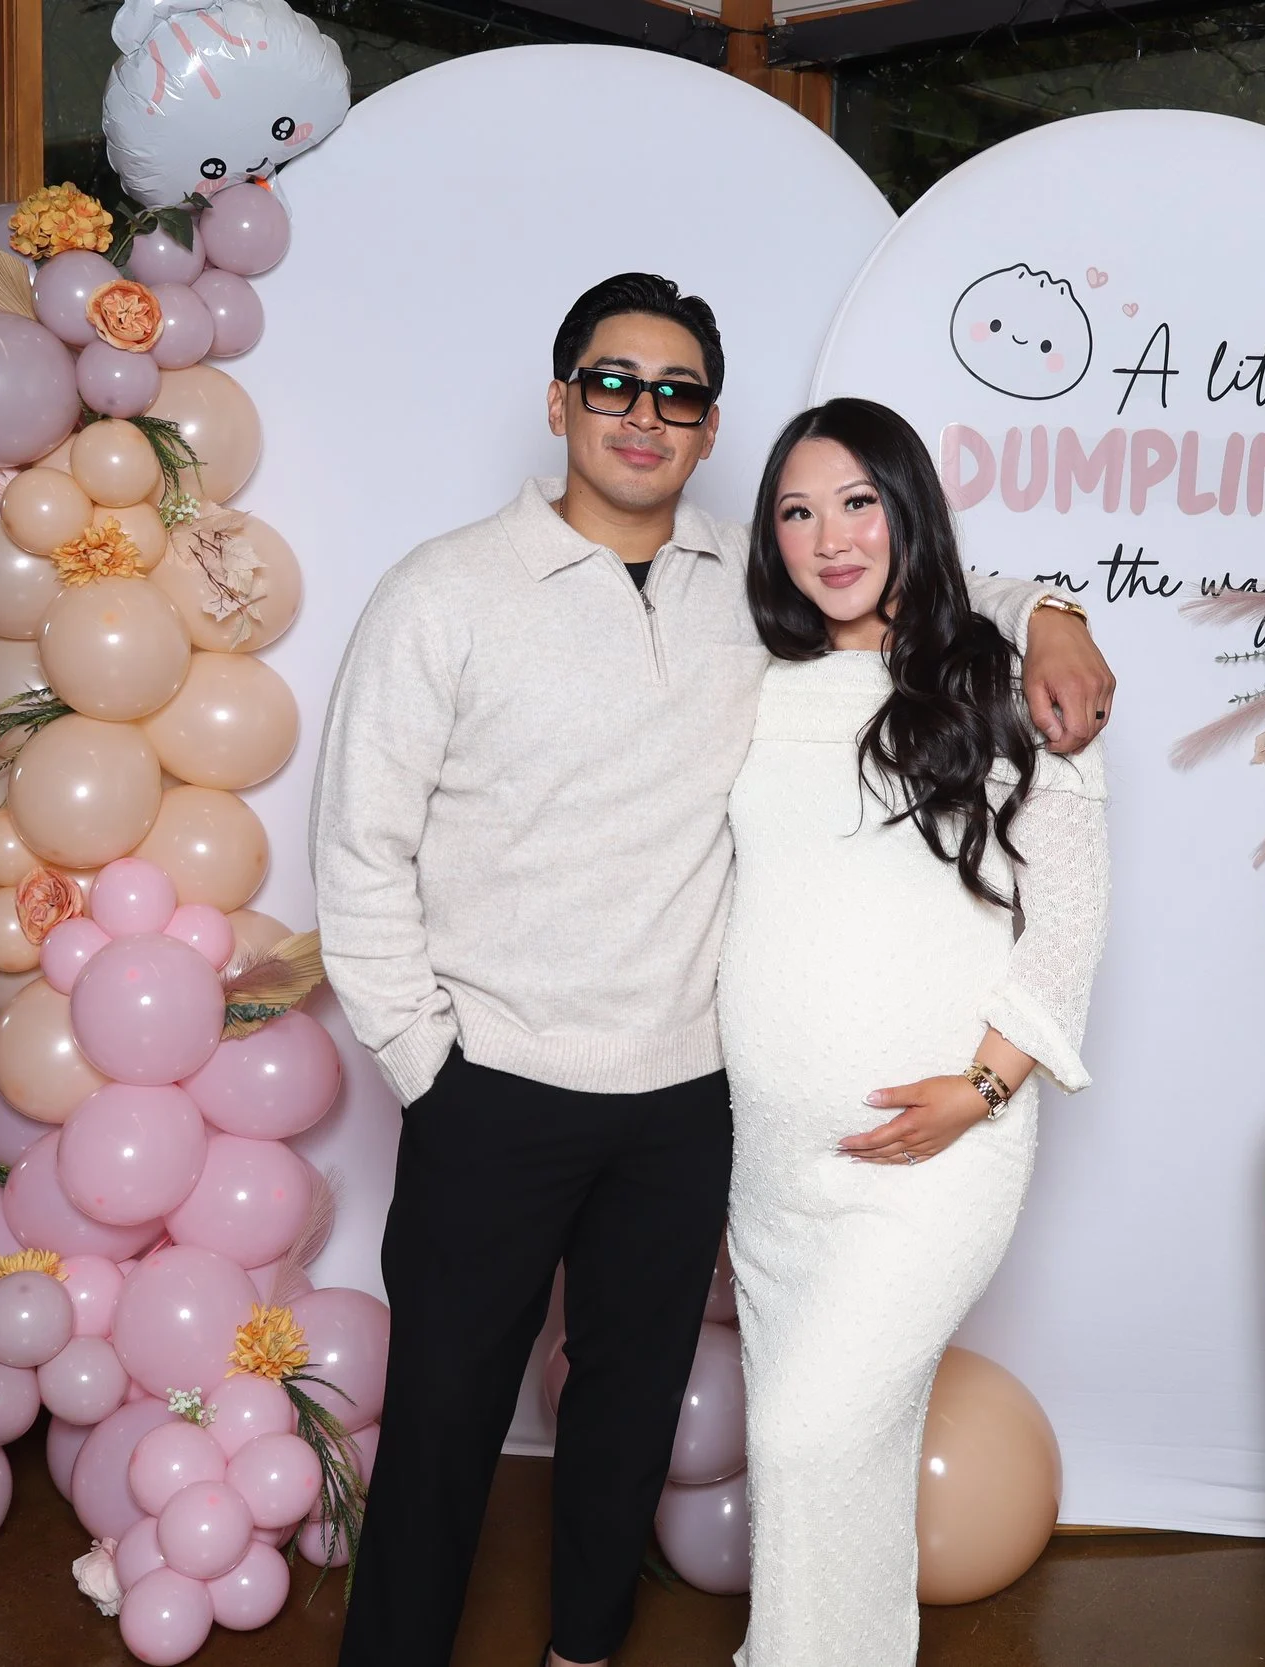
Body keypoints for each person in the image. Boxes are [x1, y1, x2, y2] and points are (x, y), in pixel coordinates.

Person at [310, 274, 1115, 1667]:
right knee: (444, 1414)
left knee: (623, 1415)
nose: (643, 412)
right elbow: (357, 848)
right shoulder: (441, 592)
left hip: (687, 1101)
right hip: (492, 1084)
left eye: (676, 392)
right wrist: (422, 1063)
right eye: (612, 383)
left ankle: (585, 1650)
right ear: (561, 401)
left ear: (707, 424)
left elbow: (913, 575)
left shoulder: (742, 595)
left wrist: (1053, 607)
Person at [722, 397, 1111, 1666]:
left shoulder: (1003, 680)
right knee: (823, 1462)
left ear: (906, 511)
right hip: (772, 1161)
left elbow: (1066, 926)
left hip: (940, 1146)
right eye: (795, 509)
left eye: (858, 503)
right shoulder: (750, 676)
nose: (828, 538)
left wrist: (981, 1092)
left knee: (805, 1435)